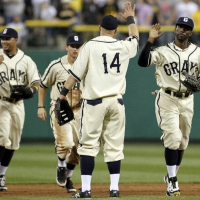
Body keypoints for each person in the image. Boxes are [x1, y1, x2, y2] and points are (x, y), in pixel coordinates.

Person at [57, 1, 139, 198]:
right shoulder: (123, 45)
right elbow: (135, 38)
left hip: (94, 102)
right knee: (114, 147)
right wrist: (130, 18)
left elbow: (75, 74)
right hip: (117, 102)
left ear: (100, 28)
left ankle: (85, 190)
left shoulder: (90, 45)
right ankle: (114, 189)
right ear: (116, 30)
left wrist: (62, 93)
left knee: (88, 146)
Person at [137, 17, 200, 196]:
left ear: (190, 32)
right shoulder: (163, 50)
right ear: (175, 29)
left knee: (182, 142)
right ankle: (172, 181)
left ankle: (172, 175)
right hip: (167, 97)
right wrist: (150, 40)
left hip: (188, 100)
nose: (182, 30)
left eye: (186, 28)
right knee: (172, 137)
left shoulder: (197, 52)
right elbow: (142, 62)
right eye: (180, 26)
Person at [37, 34, 83, 193]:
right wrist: (40, 106)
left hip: (80, 109)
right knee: (66, 143)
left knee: (78, 149)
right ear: (66, 47)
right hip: (60, 108)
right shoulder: (56, 65)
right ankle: (61, 166)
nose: (75, 49)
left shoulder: (87, 65)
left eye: (78, 46)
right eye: (72, 46)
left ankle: (68, 177)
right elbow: (43, 85)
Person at [0, 28, 40, 191]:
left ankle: (1, 175)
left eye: (8, 38)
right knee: (2, 138)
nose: (4, 41)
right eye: (2, 38)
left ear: (16, 40)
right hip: (1, 102)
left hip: (18, 104)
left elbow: (37, 82)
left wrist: (31, 91)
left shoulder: (26, 60)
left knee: (13, 143)